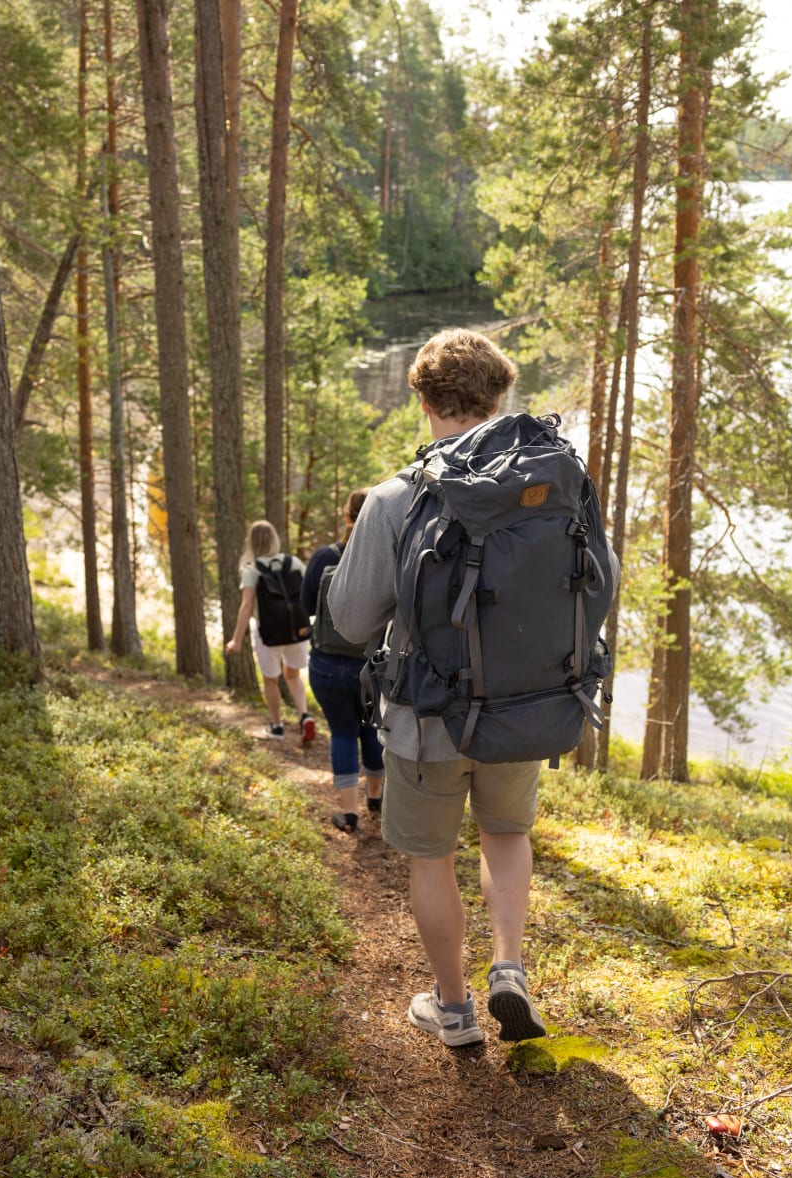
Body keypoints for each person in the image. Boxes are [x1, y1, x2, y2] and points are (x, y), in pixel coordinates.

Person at [330, 328, 553, 1048]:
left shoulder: (396, 497)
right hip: (519, 709)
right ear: (500, 398)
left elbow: (353, 616)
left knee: (432, 856)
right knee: (506, 834)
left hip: (425, 719)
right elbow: (595, 583)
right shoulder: (545, 488)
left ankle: (453, 1009)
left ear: (421, 399)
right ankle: (510, 967)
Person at [302, 489, 385, 835]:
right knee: (372, 731)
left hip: (328, 664)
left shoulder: (325, 557)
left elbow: (306, 604)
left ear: (347, 516)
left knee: (342, 732)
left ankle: (348, 814)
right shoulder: (385, 559)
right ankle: (376, 799)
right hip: (373, 664)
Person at [224, 519, 317, 743]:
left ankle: (277, 727)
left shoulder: (252, 569)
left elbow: (246, 606)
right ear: (275, 539)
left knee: (271, 680)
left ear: (251, 543)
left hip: (269, 634)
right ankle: (304, 716)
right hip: (297, 630)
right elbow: (310, 591)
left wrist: (236, 641)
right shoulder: (293, 562)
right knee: (293, 675)